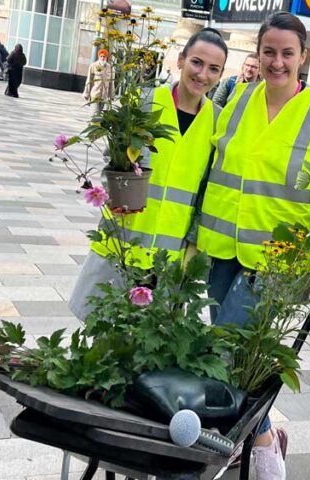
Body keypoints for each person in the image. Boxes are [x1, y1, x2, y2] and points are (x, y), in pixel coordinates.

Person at [196, 12, 310, 480]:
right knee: (235, 357)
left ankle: (249, 455)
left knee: (230, 358)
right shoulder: (237, 100)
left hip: (279, 262)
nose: (277, 62)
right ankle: (264, 435)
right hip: (221, 248)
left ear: (303, 57)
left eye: (287, 53)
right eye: (269, 51)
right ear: (257, 54)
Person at [70, 28, 228, 319]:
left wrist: (193, 249)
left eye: (213, 69)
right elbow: (112, 159)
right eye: (196, 62)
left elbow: (208, 190)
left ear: (220, 74)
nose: (202, 74)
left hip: (168, 254)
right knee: (105, 332)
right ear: (180, 60)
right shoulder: (143, 101)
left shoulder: (218, 121)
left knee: (148, 342)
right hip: (124, 236)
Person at [83, 48, 113, 115]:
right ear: (98, 57)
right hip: (95, 94)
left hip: (104, 96)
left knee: (99, 115)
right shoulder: (93, 66)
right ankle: (92, 124)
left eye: (104, 56)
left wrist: (111, 95)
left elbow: (111, 82)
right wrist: (86, 93)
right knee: (94, 113)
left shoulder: (109, 67)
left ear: (106, 57)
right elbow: (89, 80)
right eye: (101, 56)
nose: (102, 58)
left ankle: (93, 125)